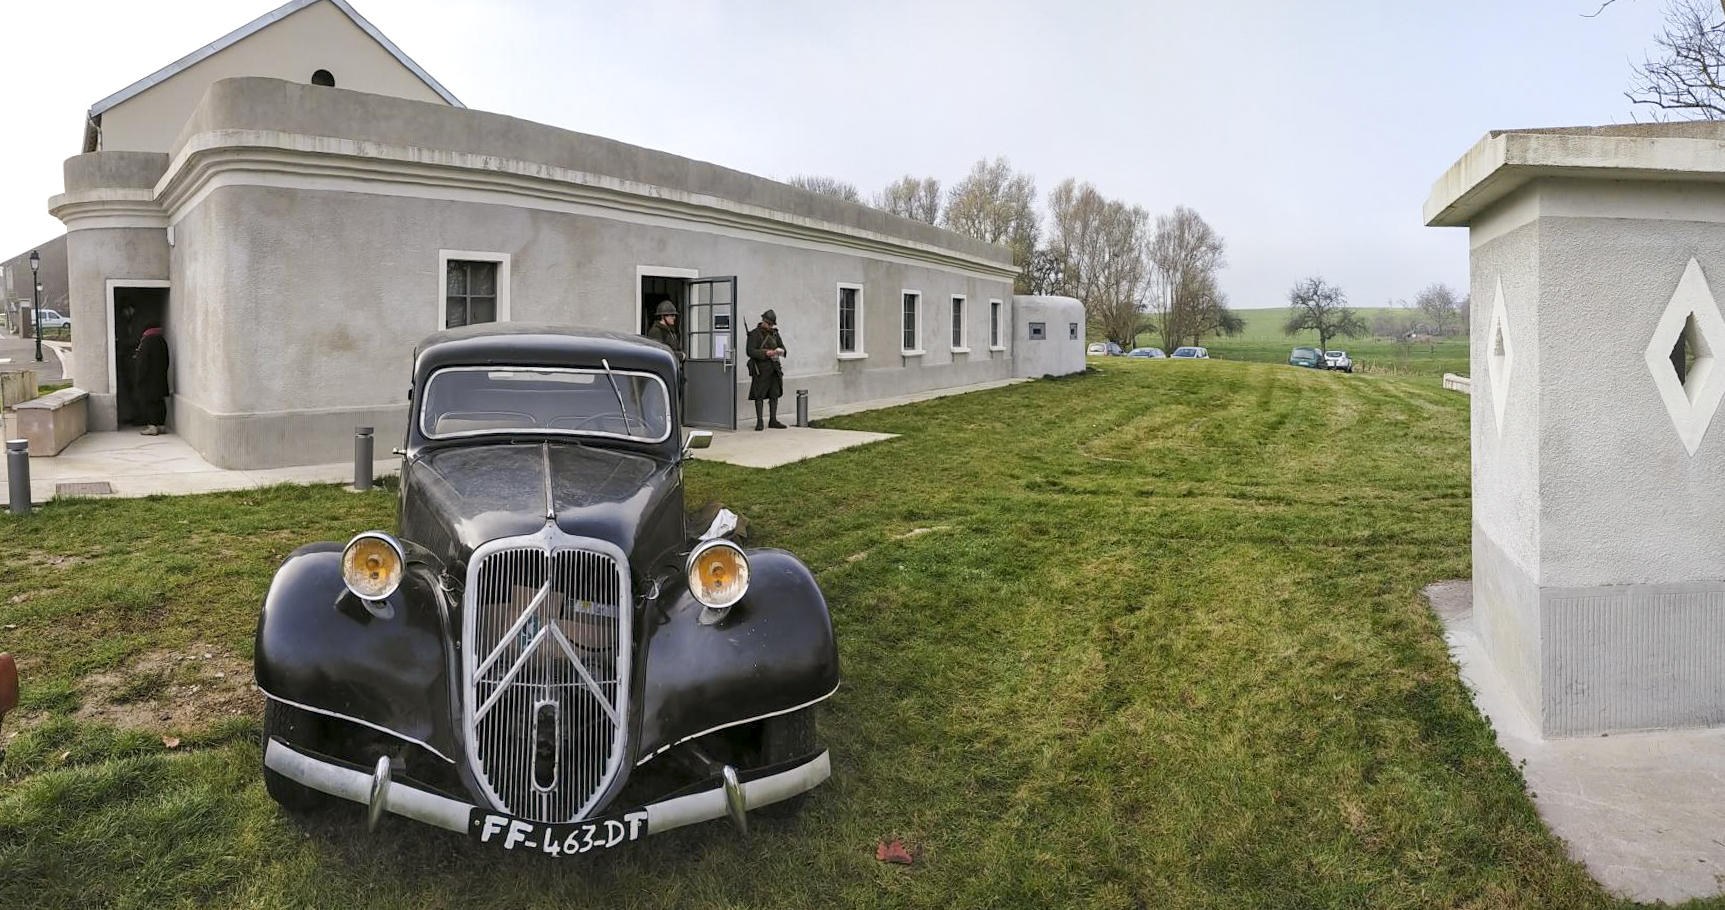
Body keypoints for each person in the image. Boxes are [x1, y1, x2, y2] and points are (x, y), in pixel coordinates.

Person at [745, 309, 787, 431]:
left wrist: (780, 351)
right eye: (768, 324)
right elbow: (750, 351)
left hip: (774, 367)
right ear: (763, 321)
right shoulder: (754, 334)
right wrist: (766, 353)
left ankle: (773, 420)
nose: (770, 326)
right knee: (759, 395)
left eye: (772, 324)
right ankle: (759, 422)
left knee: (774, 394)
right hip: (761, 369)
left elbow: (782, 347)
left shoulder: (775, 334)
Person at [134, 321, 170, 435]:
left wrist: (139, 378)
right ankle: (161, 425)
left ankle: (152, 426)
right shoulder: (162, 340)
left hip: (149, 379)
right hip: (161, 377)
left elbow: (142, 363)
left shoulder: (147, 341)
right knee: (160, 401)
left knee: (150, 402)